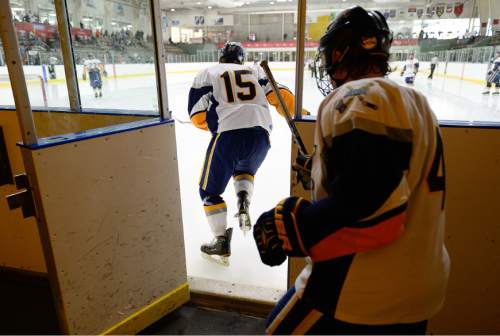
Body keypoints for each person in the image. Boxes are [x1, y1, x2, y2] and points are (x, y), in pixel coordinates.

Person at [253, 6, 450, 334]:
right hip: (420, 286)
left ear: (340, 54)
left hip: (362, 287)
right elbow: (391, 171)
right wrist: (322, 166)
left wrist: (293, 227)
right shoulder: (417, 103)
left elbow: (370, 205)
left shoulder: (357, 95)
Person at [187, 42, 303, 266]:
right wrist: (304, 116)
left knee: (209, 192)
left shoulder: (208, 73)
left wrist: (215, 125)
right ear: (241, 59)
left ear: (222, 58)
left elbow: (196, 114)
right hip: (261, 136)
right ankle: (243, 202)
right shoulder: (256, 70)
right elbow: (282, 97)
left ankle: (220, 240)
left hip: (228, 136)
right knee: (244, 170)